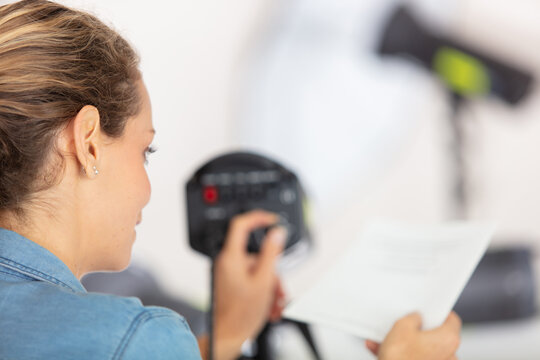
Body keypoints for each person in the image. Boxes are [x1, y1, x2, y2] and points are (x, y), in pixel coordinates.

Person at [0, 1, 461, 359]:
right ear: (88, 143)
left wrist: (226, 333)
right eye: (146, 151)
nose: (147, 186)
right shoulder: (134, 335)